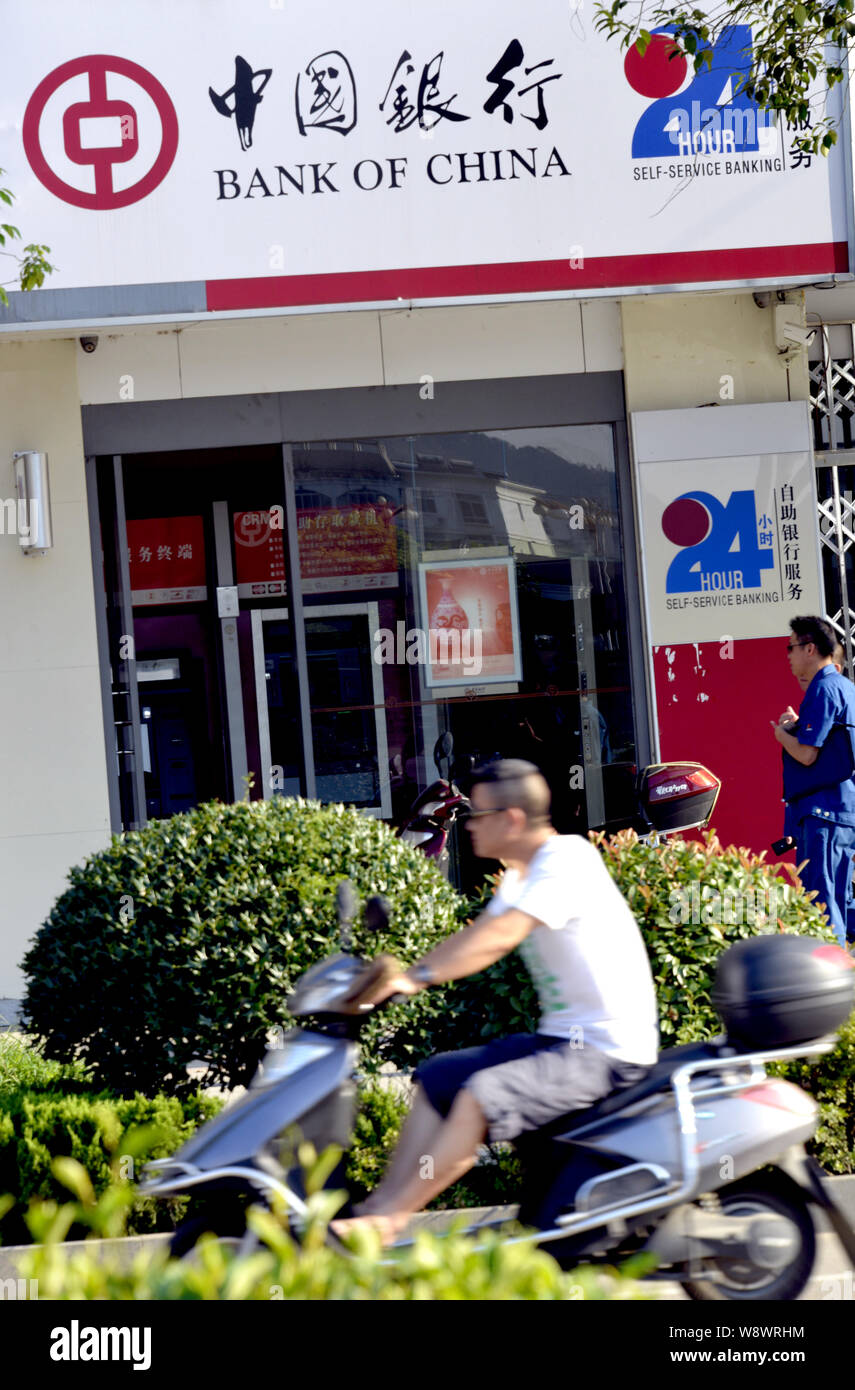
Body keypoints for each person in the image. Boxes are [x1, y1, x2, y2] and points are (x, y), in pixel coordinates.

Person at [332, 758, 658, 1244]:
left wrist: (415, 978)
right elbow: (479, 935)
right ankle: (377, 1207)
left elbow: (503, 935)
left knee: (481, 1095)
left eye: (476, 816)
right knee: (439, 1077)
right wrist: (404, 977)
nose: (468, 827)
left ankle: (387, 1221)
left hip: (608, 1051)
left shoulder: (564, 860)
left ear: (512, 819)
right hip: (563, 1042)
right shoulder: (521, 875)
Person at [772, 617, 855, 948]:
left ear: (810, 648)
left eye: (791, 647)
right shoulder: (845, 686)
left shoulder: (822, 688)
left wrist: (781, 734)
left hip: (824, 811)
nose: (788, 655)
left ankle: (831, 982)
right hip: (842, 809)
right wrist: (798, 725)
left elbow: (806, 754)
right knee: (841, 898)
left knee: (820, 902)